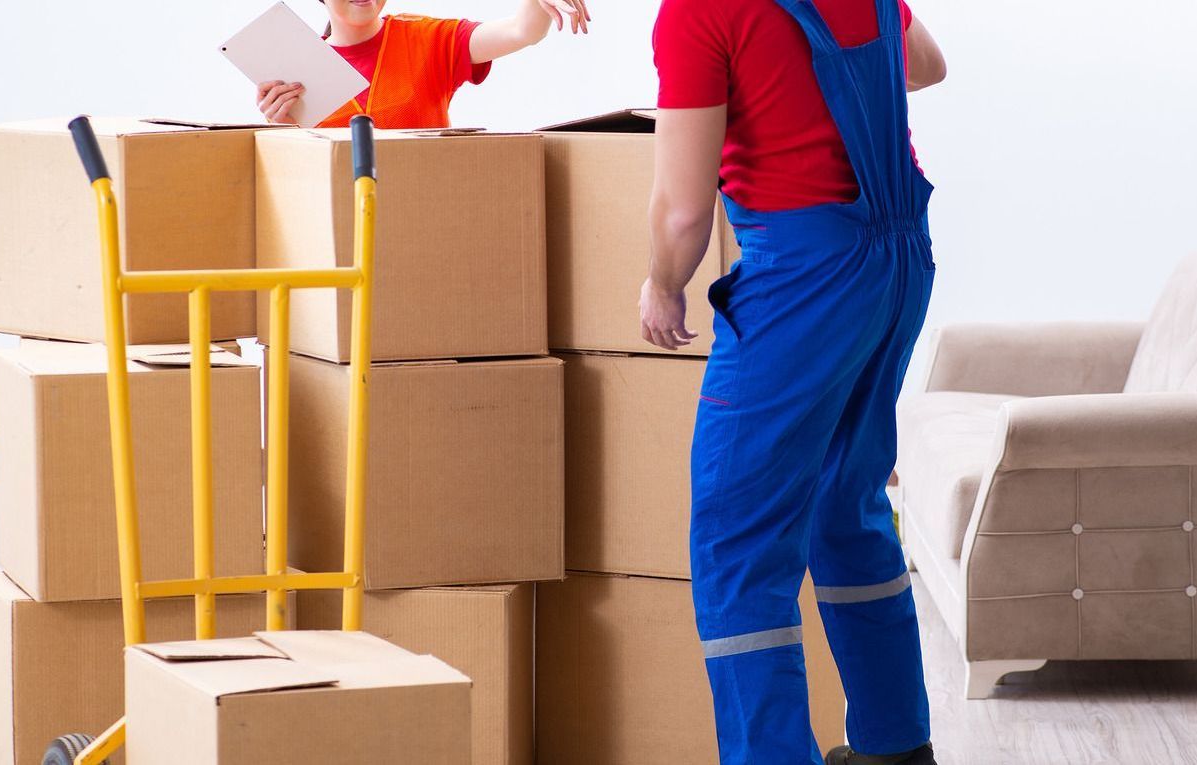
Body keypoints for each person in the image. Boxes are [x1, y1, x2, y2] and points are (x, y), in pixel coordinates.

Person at [641, 0, 946, 762]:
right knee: (847, 500)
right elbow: (927, 64)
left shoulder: (697, 12)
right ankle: (896, 744)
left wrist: (663, 285)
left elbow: (684, 215)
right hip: (900, 264)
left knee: (736, 537)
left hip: (803, 273)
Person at [255, 0, 591, 128]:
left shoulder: (429, 39)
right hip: (341, 243)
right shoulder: (297, 70)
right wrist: (280, 126)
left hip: (424, 220)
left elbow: (523, 30)